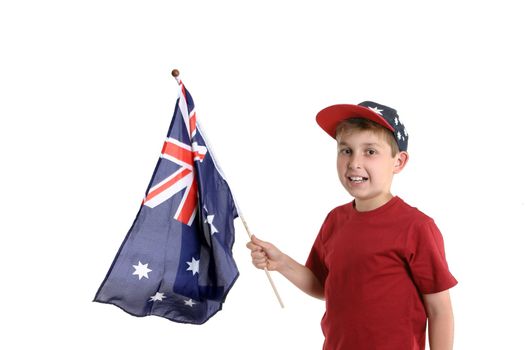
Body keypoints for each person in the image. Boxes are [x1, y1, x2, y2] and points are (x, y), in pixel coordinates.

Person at [246, 101, 458, 350]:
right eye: (346, 150)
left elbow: (440, 310)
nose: (354, 162)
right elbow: (323, 285)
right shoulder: (335, 220)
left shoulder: (416, 227)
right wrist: (281, 262)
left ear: (398, 162)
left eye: (370, 151)